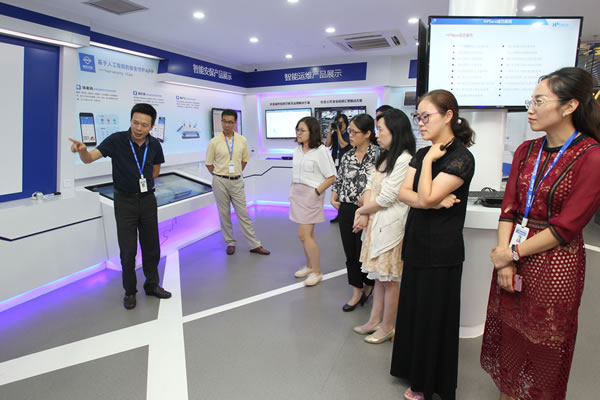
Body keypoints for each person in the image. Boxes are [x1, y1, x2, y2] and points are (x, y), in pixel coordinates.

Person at [481, 67, 600, 400]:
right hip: (512, 255)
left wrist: (511, 254)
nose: (530, 109)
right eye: (530, 101)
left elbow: (566, 227)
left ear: (569, 106)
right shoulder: (526, 150)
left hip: (554, 263)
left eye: (539, 101)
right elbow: (509, 209)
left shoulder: (591, 156)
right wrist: (505, 258)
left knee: (545, 342)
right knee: (509, 334)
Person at [391, 90, 475, 400]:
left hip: (441, 251)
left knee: (432, 318)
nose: (421, 122)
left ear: (449, 115)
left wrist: (428, 166)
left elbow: (423, 196)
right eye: (419, 117)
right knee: (414, 312)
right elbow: (404, 193)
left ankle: (426, 383)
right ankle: (412, 370)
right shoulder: (423, 152)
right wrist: (433, 202)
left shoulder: (461, 157)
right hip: (416, 241)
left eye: (426, 116)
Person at [69, 103, 172, 310]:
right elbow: (89, 159)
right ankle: (130, 292)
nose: (138, 128)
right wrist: (82, 151)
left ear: (152, 126)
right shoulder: (116, 140)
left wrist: (142, 182)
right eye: (135, 122)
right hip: (124, 202)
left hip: (147, 200)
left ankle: (152, 285)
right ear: (131, 120)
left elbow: (155, 170)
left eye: (144, 125)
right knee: (127, 250)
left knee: (152, 246)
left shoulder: (154, 145)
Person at [352, 108, 415, 343]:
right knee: (379, 277)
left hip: (390, 227)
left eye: (380, 130)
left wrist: (361, 211)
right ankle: (373, 321)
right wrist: (366, 214)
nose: (377, 134)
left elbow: (388, 197)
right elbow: (370, 185)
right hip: (376, 222)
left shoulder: (404, 159)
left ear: (395, 131)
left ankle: (387, 326)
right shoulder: (386, 156)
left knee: (389, 280)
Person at [205, 109, 270, 256]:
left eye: (230, 122)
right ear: (221, 121)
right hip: (220, 181)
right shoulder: (214, 142)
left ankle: (255, 244)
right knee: (224, 213)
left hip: (236, 181)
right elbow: (209, 163)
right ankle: (230, 242)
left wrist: (235, 173)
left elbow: (244, 160)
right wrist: (219, 174)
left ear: (235, 123)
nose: (227, 125)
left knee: (243, 213)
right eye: (224, 121)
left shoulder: (241, 140)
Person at [331, 114, 378, 311]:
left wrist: (369, 202)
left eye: (354, 132)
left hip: (369, 210)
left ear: (367, 133)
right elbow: (339, 179)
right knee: (350, 252)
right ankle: (356, 290)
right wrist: (333, 197)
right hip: (347, 208)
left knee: (365, 252)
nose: (349, 135)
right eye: (349, 131)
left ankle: (369, 284)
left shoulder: (379, 155)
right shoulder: (347, 155)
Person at [290, 116, 337, 286]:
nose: (298, 133)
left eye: (302, 130)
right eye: (297, 129)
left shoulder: (321, 151)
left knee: (304, 235)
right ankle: (310, 266)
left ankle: (317, 271)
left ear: (312, 132)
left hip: (311, 196)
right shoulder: (297, 150)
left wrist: (316, 192)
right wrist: (292, 192)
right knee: (305, 235)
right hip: (297, 195)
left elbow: (331, 176)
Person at [326, 113, 350, 223]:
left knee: (343, 190)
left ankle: (343, 214)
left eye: (341, 123)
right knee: (337, 189)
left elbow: (344, 145)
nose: (339, 125)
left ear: (346, 124)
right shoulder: (335, 134)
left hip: (345, 165)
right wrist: (330, 131)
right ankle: (339, 214)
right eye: (337, 123)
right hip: (335, 165)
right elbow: (327, 144)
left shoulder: (348, 135)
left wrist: (339, 132)